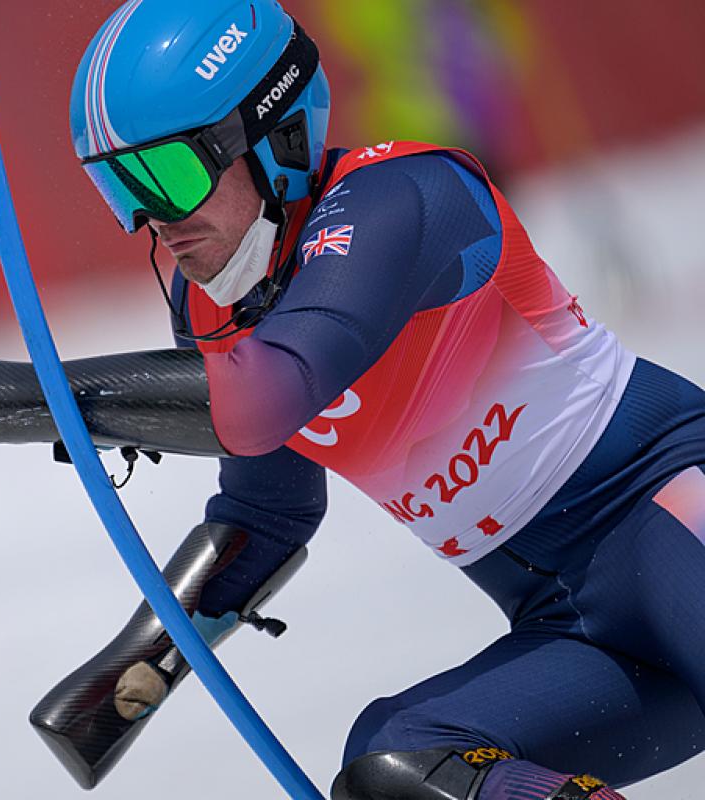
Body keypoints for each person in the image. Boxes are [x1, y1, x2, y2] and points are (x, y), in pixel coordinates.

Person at [52, 0, 705, 797]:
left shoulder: (403, 195)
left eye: (171, 174)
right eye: (120, 187)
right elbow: (267, 515)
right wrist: (134, 670)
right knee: (398, 768)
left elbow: (272, 394)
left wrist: (35, 396)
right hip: (574, 627)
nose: (154, 218)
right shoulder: (213, 310)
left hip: (668, 516)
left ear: (275, 136)